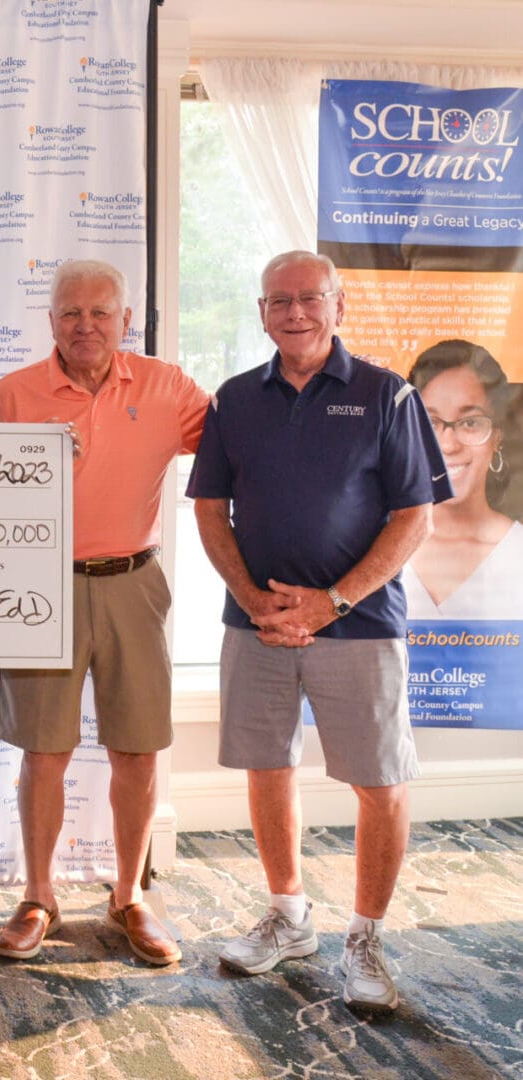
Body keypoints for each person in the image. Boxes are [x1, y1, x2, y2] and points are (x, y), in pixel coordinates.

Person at [188, 250, 449, 1013]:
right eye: (279, 301)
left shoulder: (386, 395)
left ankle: (365, 936)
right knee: (267, 766)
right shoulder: (233, 399)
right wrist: (252, 596)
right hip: (257, 624)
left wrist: (331, 601)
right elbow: (210, 509)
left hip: (360, 625)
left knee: (379, 781)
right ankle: (288, 914)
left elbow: (414, 516)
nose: (295, 312)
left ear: (339, 307)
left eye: (310, 299)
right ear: (261, 312)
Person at [0, 259, 207, 970]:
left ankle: (129, 895)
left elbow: (249, 449)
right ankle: (39, 895)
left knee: (137, 749)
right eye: (70, 313)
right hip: (38, 589)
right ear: (51, 321)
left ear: (125, 321)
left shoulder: (168, 388)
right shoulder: (12, 396)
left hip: (133, 582)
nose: (85, 326)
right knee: (43, 752)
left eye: (100, 313)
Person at [402, 340, 521, 618]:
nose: (447, 445)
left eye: (470, 423)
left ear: (497, 438)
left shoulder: (518, 553)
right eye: (431, 423)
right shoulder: (372, 548)